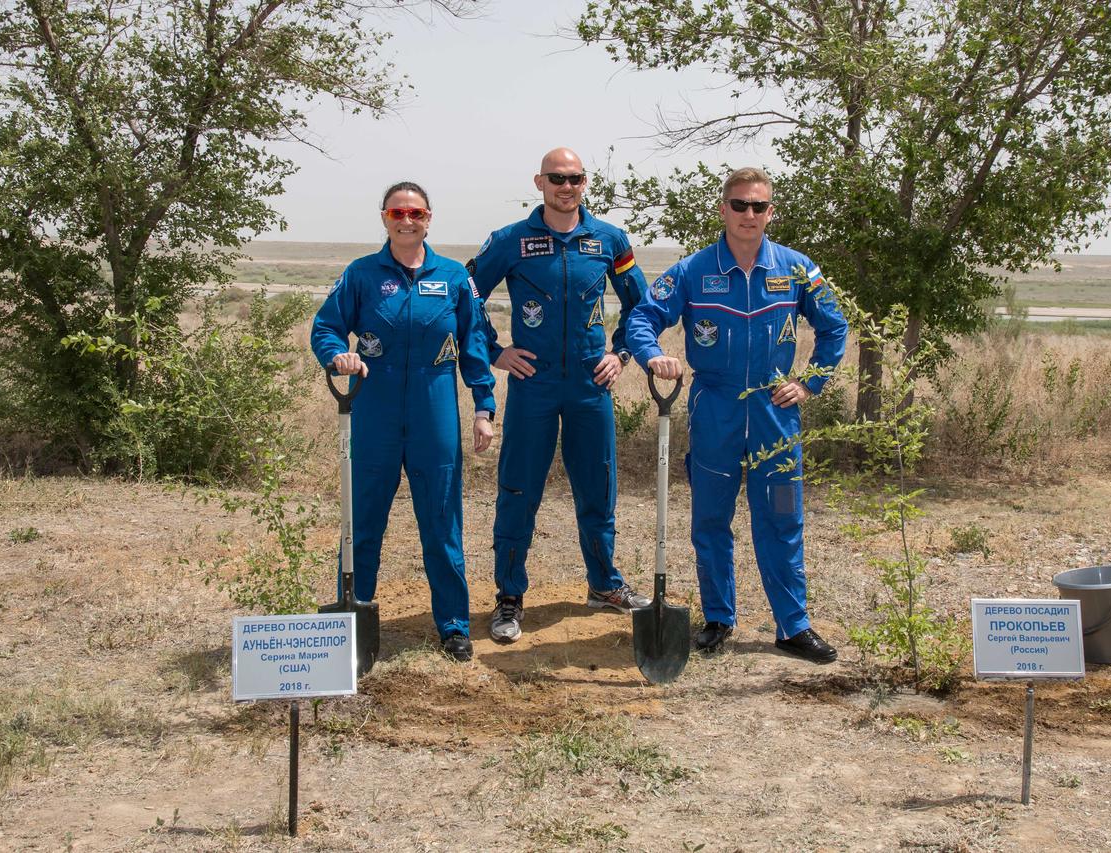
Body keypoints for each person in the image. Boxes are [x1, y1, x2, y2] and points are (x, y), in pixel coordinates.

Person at [625, 167, 848, 662]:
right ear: (723, 209)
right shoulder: (691, 270)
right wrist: (652, 355)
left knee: (782, 519)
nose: (750, 215)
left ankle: (793, 626)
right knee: (710, 519)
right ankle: (719, 619)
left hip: (775, 412)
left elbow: (836, 328)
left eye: (759, 206)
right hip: (715, 408)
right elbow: (641, 318)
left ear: (771, 213)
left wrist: (809, 383)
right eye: (740, 205)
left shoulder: (796, 269)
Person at [468, 147, 651, 644]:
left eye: (574, 178)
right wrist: (496, 352)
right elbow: (466, 296)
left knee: (598, 488)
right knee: (519, 490)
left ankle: (604, 584)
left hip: (592, 386)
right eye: (557, 178)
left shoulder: (609, 239)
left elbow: (641, 306)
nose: (566, 187)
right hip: (533, 384)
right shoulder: (510, 240)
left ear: (584, 183)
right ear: (539, 182)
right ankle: (509, 596)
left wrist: (622, 354)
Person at [311, 181, 496, 662]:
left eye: (416, 212)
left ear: (429, 217)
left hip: (434, 403)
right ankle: (350, 622)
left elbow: (474, 344)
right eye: (398, 212)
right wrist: (337, 356)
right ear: (385, 218)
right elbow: (327, 326)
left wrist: (483, 407)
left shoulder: (454, 278)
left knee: (441, 520)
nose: (407, 220)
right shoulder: (362, 274)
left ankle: (453, 625)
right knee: (363, 518)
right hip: (375, 405)